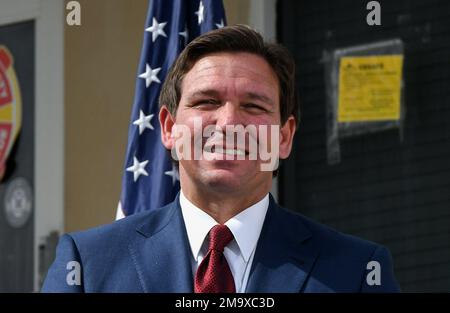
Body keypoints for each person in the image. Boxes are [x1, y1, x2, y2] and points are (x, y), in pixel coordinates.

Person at [42, 25, 400, 293]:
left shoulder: (358, 272)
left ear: (284, 137)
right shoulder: (87, 266)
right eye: (206, 102)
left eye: (253, 106)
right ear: (168, 128)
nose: (229, 123)